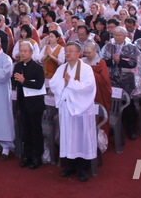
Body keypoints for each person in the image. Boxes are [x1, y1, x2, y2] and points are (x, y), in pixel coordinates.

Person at [50, 42, 98, 182]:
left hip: (81, 109)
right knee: (68, 136)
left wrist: (70, 83)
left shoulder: (86, 69)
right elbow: (53, 84)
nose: (68, 53)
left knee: (81, 137)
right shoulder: (62, 68)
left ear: (78, 53)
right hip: (66, 108)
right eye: (66, 51)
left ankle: (83, 168)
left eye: (71, 51)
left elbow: (88, 87)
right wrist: (64, 84)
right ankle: (69, 165)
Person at [101, 26, 141, 139]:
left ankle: (131, 129)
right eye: (115, 35)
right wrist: (113, 61)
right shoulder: (108, 46)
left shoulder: (132, 48)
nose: (118, 37)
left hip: (127, 80)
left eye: (120, 35)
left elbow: (134, 63)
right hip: (112, 79)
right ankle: (113, 128)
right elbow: (102, 60)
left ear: (125, 36)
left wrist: (120, 61)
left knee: (129, 105)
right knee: (114, 104)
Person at [12, 40, 46, 169]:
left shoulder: (38, 67)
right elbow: (14, 82)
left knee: (35, 130)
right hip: (22, 102)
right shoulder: (18, 66)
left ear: (31, 53)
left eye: (25, 51)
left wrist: (24, 81)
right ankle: (26, 155)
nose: (23, 53)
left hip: (35, 104)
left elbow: (39, 85)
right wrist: (19, 81)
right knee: (25, 130)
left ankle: (37, 157)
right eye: (21, 51)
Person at [82, 41, 112, 130]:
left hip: (98, 91)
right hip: (85, 92)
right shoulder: (82, 61)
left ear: (95, 51)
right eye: (85, 52)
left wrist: (90, 70)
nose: (87, 55)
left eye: (89, 52)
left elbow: (104, 80)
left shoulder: (101, 62)